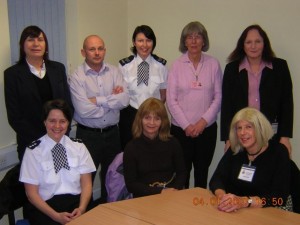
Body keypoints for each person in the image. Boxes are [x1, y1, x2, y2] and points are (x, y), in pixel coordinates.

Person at [69, 35, 129, 203]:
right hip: (88, 135)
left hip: (112, 134)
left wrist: (97, 100)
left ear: (105, 50)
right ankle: (84, 216)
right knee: (85, 178)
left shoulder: (115, 71)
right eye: (92, 49)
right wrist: (111, 100)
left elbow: (124, 101)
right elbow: (83, 110)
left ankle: (109, 214)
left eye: (100, 48)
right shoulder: (76, 77)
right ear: (83, 52)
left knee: (113, 177)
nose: (97, 53)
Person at [19, 99, 96, 225]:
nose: (57, 126)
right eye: (52, 121)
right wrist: (55, 216)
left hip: (76, 204)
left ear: (68, 123)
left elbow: (87, 185)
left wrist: (81, 209)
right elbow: (31, 194)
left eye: (62, 121)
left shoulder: (79, 147)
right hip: (46, 208)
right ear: (44, 122)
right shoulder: (33, 151)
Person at [220, 24, 293, 155]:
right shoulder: (232, 69)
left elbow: (286, 104)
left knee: (269, 171)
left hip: (272, 133)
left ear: (264, 44)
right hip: (241, 134)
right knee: (243, 172)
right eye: (249, 42)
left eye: (257, 41)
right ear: (243, 45)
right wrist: (228, 139)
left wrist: (285, 137)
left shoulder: (280, 67)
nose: (253, 46)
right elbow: (227, 106)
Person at [4, 25, 73, 161]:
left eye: (40, 40)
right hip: (31, 143)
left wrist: (62, 132)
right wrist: (43, 140)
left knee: (59, 180)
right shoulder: (12, 74)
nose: (36, 44)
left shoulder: (58, 68)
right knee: (34, 182)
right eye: (30, 40)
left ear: (45, 45)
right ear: (22, 45)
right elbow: (14, 116)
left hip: (59, 139)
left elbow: (68, 105)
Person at [166, 21, 222, 189]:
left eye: (198, 37)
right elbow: (171, 99)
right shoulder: (176, 65)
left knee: (202, 171)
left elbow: (218, 97)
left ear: (204, 41)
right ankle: (181, 211)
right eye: (189, 37)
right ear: (184, 42)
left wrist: (202, 122)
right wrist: (187, 125)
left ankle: (200, 210)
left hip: (207, 130)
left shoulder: (213, 64)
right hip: (180, 130)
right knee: (182, 172)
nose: (193, 41)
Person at [209, 107, 291, 213]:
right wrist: (223, 197)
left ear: (260, 128)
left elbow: (279, 198)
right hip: (237, 211)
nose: (242, 133)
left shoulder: (279, 152)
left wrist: (244, 201)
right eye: (239, 128)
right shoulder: (235, 149)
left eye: (248, 127)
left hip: (269, 211)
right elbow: (216, 179)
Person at [123, 98, 186, 198]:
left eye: (157, 118)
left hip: (171, 194)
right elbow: (131, 185)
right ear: (140, 119)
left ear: (163, 121)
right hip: (143, 198)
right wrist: (160, 192)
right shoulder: (131, 148)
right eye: (147, 118)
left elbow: (182, 173)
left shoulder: (173, 143)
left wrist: (174, 190)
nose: (152, 123)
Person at [118, 25, 168, 150]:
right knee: (130, 153)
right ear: (134, 42)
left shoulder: (161, 66)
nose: (144, 45)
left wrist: (153, 114)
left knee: (153, 154)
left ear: (153, 43)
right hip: (130, 115)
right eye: (140, 40)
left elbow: (163, 94)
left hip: (153, 118)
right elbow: (120, 94)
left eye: (148, 40)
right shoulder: (124, 66)